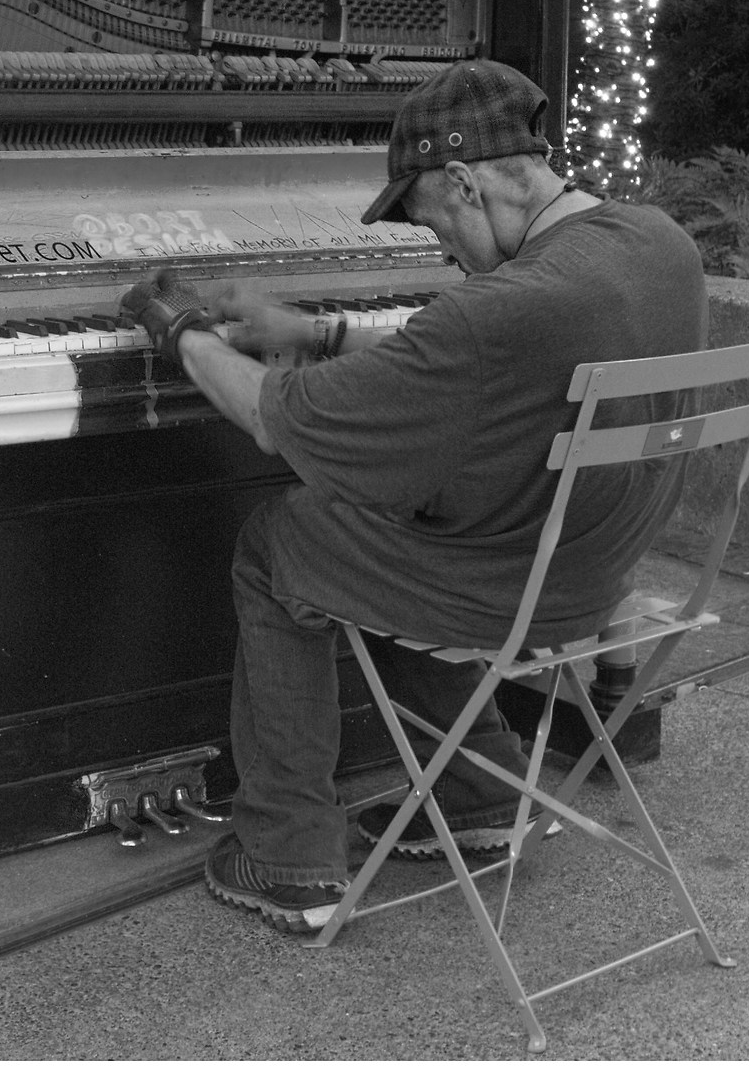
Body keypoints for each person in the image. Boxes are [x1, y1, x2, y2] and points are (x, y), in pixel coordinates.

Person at [119, 59, 706, 933]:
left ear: (465, 182)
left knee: (284, 539)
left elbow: (276, 417)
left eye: (432, 222)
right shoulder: (659, 243)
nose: (440, 251)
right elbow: (463, 365)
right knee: (399, 511)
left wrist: (181, 333)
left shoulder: (501, 310)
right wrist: (318, 332)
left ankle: (286, 854)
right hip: (595, 566)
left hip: (511, 585)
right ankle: (479, 795)